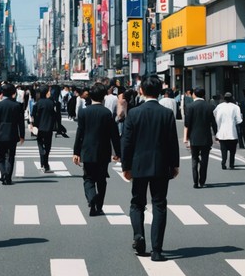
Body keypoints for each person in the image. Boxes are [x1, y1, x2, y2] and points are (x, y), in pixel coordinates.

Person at [121, 75, 179, 262]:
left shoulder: (134, 113)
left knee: (137, 203)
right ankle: (156, 250)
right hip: (161, 165)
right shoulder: (166, 114)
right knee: (159, 205)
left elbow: (127, 143)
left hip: (138, 165)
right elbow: (172, 142)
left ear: (141, 91)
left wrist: (126, 166)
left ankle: (139, 235)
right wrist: (175, 164)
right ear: (160, 91)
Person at [73, 83, 121, 216]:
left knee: (88, 177)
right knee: (101, 179)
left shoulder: (84, 112)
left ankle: (91, 197)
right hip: (103, 151)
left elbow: (80, 133)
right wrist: (118, 152)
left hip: (87, 150)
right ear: (103, 97)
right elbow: (114, 135)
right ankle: (99, 205)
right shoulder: (107, 113)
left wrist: (76, 152)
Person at [0, 82, 25, 185]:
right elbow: (21, 122)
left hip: (0, 134)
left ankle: (3, 173)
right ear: (13, 93)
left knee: (0, 156)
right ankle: (8, 177)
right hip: (13, 134)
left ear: (2, 93)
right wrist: (22, 135)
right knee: (10, 156)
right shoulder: (17, 105)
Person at [183, 87, 217, 188]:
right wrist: (216, 135)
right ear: (204, 95)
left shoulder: (190, 106)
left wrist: (186, 138)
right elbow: (213, 123)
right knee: (205, 160)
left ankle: (195, 181)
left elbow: (187, 124)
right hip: (206, 137)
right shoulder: (210, 106)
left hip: (194, 138)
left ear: (194, 94)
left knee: (194, 159)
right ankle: (202, 180)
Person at [32, 86, 60, 173]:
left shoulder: (37, 103)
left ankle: (42, 164)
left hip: (39, 127)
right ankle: (46, 164)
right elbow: (55, 115)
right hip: (49, 127)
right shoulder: (51, 103)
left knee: (40, 144)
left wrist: (33, 125)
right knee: (48, 146)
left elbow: (33, 115)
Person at [214, 92, 242, 169]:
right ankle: (231, 164)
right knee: (232, 151)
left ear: (224, 98)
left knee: (223, 150)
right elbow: (239, 120)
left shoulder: (219, 106)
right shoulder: (235, 107)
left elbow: (215, 114)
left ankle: (223, 163)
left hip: (222, 133)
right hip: (232, 132)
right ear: (232, 98)